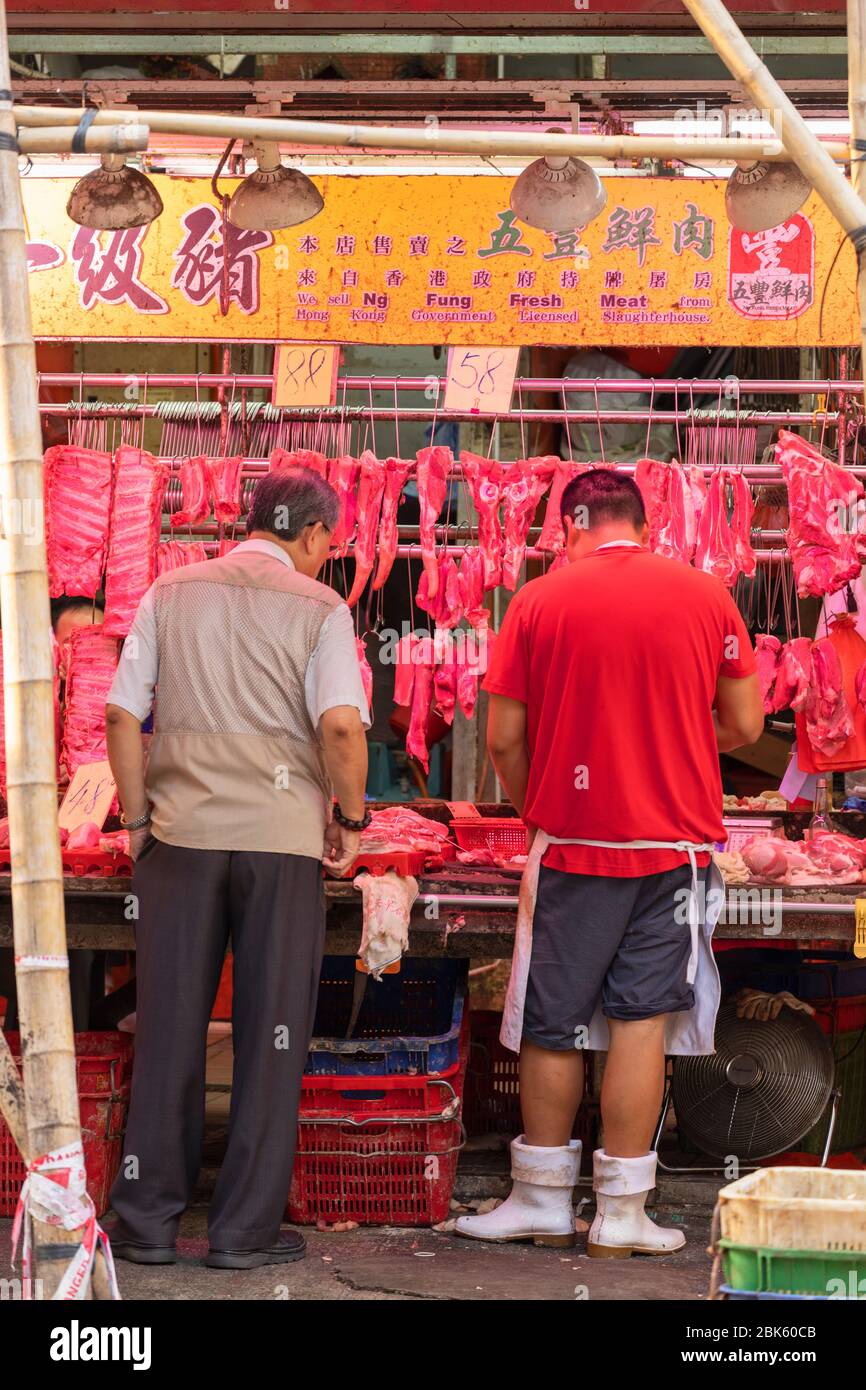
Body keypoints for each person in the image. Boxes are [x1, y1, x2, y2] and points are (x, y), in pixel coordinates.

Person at [455, 469, 763, 1256]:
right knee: (642, 1023)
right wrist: (683, 751)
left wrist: (542, 807)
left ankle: (543, 1202)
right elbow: (747, 723)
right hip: (676, 852)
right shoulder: (705, 595)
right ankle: (622, 1216)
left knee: (553, 1024)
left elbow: (501, 740)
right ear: (647, 523)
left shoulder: (536, 602)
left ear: (570, 528)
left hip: (575, 848)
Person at [103, 466, 370, 1270]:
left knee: (170, 1030)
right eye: (332, 541)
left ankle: (146, 1223)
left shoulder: (169, 592)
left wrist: (140, 817)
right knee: (269, 1038)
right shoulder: (322, 608)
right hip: (281, 847)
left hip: (179, 843)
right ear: (316, 535)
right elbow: (343, 731)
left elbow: (121, 714)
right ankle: (243, 1231)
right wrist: (351, 822)